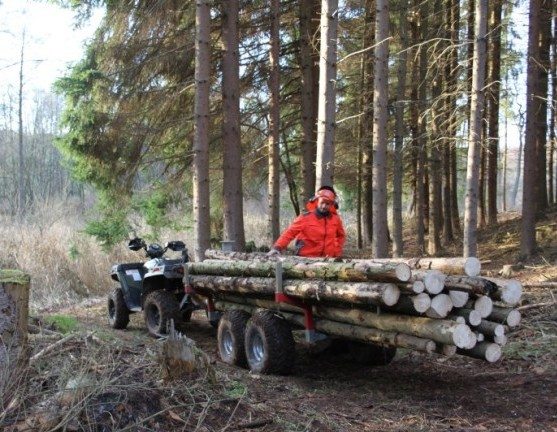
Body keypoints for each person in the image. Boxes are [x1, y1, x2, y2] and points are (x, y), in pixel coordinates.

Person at [268, 186, 346, 258]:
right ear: (317, 201)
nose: (324, 206)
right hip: (305, 259)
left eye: (327, 204)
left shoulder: (335, 219)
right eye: (322, 202)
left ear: (332, 204)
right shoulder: (305, 218)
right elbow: (290, 233)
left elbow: (341, 236)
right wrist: (277, 247)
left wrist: (336, 251)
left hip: (327, 259)